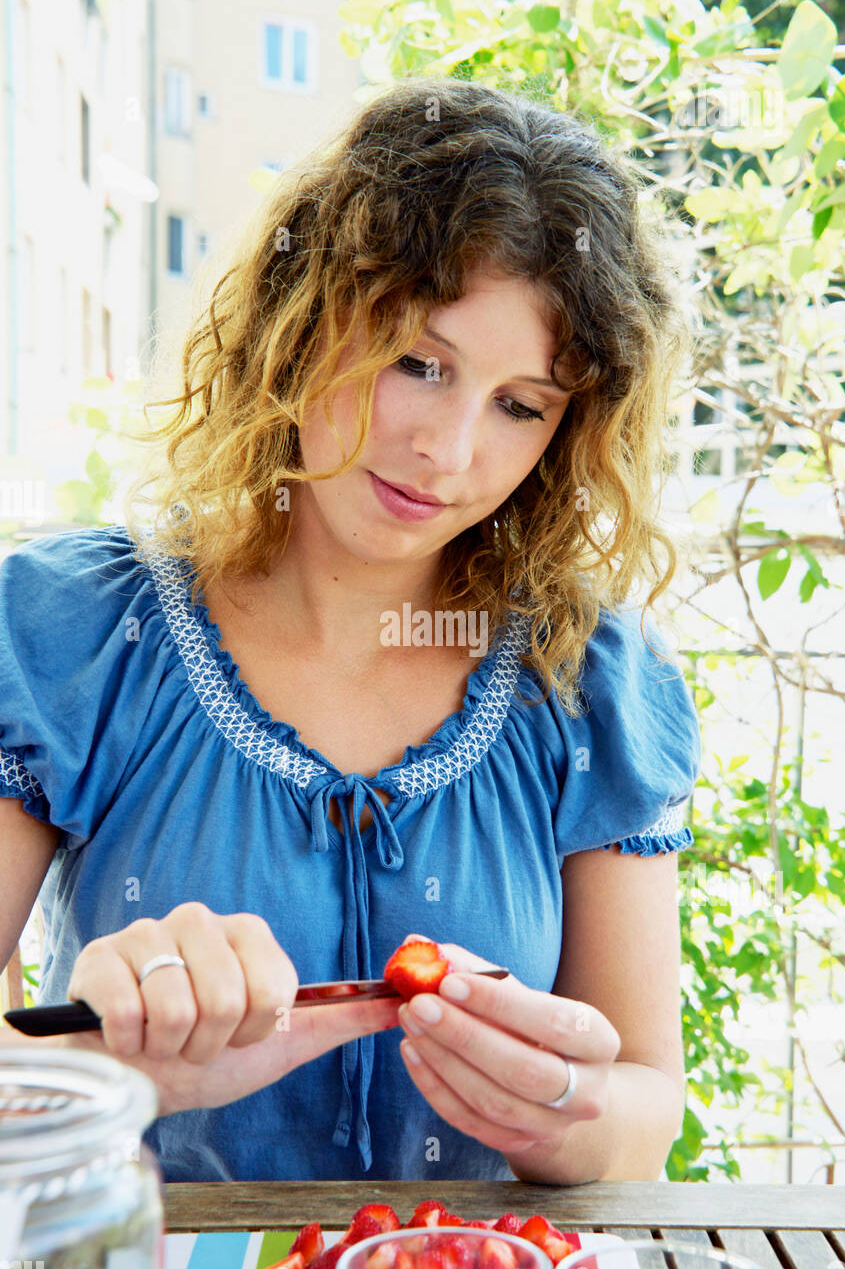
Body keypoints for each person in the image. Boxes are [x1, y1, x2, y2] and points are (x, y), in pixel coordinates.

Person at [0, 77, 701, 1184]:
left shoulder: (590, 683)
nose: (449, 447)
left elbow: (644, 1105)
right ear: (302, 319)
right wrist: (112, 1064)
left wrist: (558, 1106)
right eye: (418, 362)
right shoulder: (73, 635)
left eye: (523, 403)